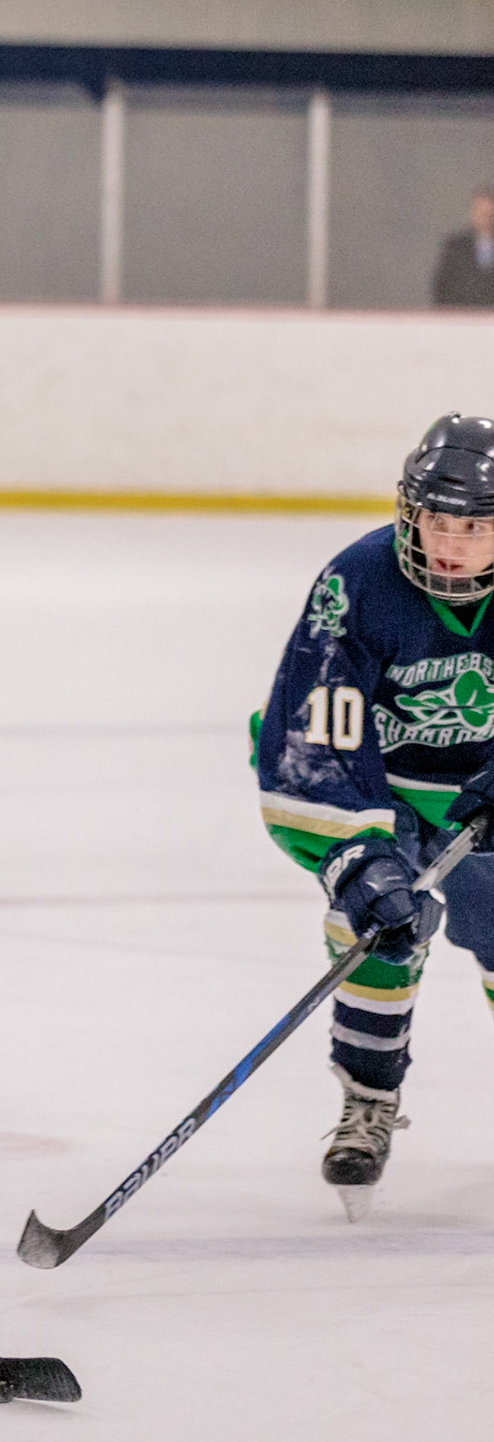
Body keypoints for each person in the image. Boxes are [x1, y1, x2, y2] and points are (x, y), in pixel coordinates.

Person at [255, 413, 494, 1219]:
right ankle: (368, 1098)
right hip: (380, 789)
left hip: (479, 793)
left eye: (473, 526)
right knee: (371, 929)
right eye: (434, 519)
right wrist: (358, 857)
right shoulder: (359, 581)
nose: (448, 542)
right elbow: (311, 735)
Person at [431, 187, 494, 307]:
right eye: (481, 212)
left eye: (489, 213)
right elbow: (443, 284)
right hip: (462, 313)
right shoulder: (455, 247)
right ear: (473, 212)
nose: (485, 217)